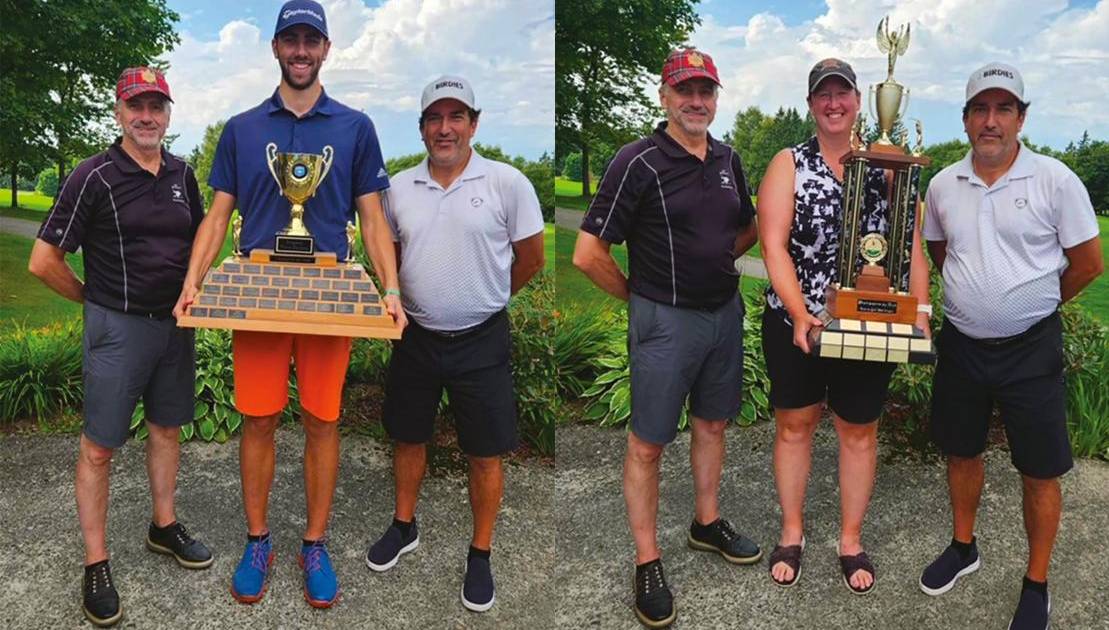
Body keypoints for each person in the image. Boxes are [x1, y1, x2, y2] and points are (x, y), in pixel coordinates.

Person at [171, 0, 404, 609]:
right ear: (276, 48)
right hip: (259, 296)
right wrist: (193, 280)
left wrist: (392, 288)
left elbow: (373, 220)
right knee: (259, 420)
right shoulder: (243, 129)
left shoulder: (355, 127)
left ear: (326, 49)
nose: (301, 50)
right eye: (290, 39)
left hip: (328, 296)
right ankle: (258, 540)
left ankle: (315, 543)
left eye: (312, 40)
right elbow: (218, 215)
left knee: (324, 422)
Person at [573, 47, 760, 628]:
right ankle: (648, 559)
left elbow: (747, 227)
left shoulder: (728, 159)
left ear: (716, 97)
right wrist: (639, 295)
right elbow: (586, 254)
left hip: (723, 314)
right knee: (648, 444)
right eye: (685, 90)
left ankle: (706, 523)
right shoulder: (638, 161)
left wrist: (713, 263)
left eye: (706, 91)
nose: (696, 101)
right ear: (665, 96)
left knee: (712, 424)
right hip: (664, 322)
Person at [919, 62, 1102, 630]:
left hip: (1031, 350)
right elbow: (941, 254)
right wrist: (981, 299)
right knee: (962, 450)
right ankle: (963, 546)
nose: (990, 121)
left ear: (1021, 118)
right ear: (967, 119)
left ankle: (1036, 581)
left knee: (1039, 470)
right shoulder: (943, 184)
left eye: (1003, 109)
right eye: (980, 109)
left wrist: (1034, 302)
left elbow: (1088, 264)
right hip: (964, 346)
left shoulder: (1055, 180)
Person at [29, 67, 212, 627]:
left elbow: (201, 242)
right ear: (118, 112)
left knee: (166, 428)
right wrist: (91, 299)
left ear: (169, 114)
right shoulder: (94, 175)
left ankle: (163, 525)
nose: (147, 116)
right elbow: (43, 261)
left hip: (174, 327)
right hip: (118, 328)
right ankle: (96, 561)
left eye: (157, 105)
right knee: (100, 448)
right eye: (137, 105)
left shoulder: (183, 174)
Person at [364, 75, 545, 612]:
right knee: (407, 436)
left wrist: (487, 297)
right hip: (415, 336)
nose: (446, 128)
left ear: (474, 123)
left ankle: (480, 554)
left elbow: (530, 258)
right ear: (421, 129)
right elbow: (388, 257)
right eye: (435, 119)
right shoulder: (396, 188)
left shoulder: (507, 183)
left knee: (485, 452)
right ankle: (404, 525)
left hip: (482, 341)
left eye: (456, 117)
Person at [756, 58, 931, 594]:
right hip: (797, 322)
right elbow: (773, 245)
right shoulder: (789, 163)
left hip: (869, 327)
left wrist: (920, 313)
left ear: (860, 100)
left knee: (858, 432)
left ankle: (850, 540)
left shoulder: (885, 166)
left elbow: (911, 246)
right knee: (795, 427)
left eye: (843, 93)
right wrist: (800, 311)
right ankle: (792, 532)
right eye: (823, 95)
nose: (834, 103)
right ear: (811, 104)